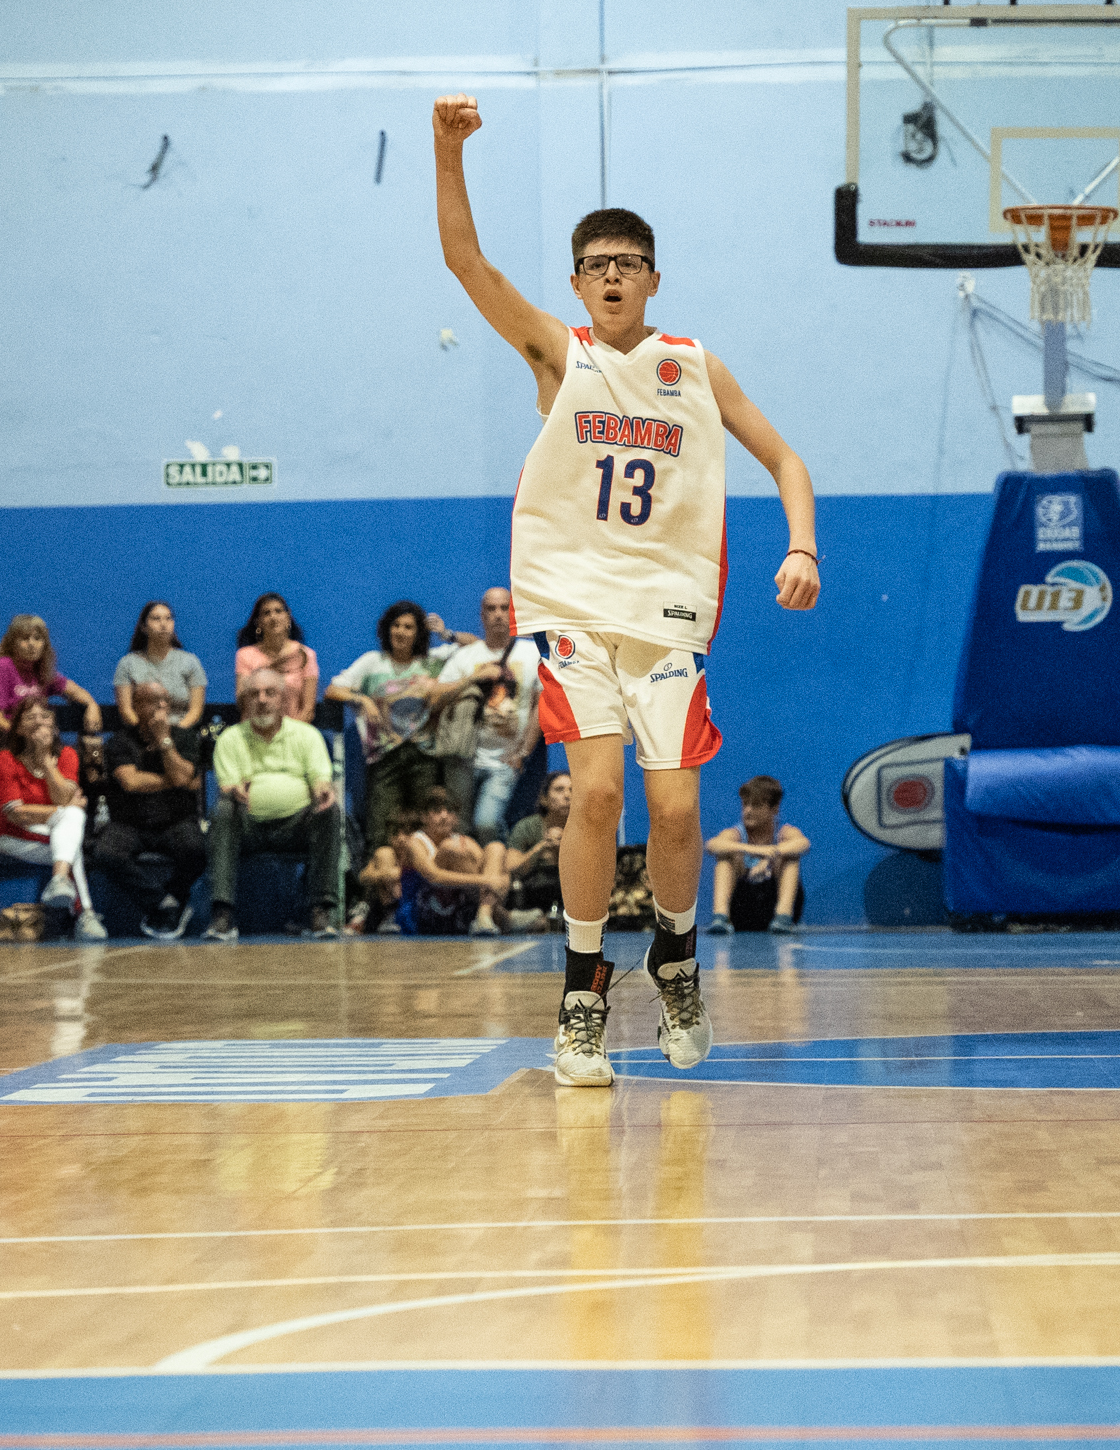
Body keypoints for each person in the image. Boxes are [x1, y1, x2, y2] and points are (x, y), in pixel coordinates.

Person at [434, 93, 822, 1090]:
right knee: (598, 792)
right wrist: (447, 148)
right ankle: (581, 994)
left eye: (628, 265)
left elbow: (785, 457)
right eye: (596, 266)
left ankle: (679, 957)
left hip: (669, 611)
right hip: (572, 606)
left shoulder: (693, 368)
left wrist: (803, 546)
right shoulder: (560, 354)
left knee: (681, 809)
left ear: (653, 278)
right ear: (578, 281)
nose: (613, 278)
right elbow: (467, 266)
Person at [205, 667, 344, 941]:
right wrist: (234, 790)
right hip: (249, 828)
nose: (262, 699)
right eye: (254, 694)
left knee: (330, 811)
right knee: (223, 809)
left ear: (284, 699)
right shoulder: (230, 738)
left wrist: (323, 791)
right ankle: (222, 914)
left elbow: (319, 778)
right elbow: (227, 784)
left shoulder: (307, 736)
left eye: (270, 693)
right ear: (245, 701)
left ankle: (320, 911)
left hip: (297, 827)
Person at [92, 681, 208, 938]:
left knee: (196, 850)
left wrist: (164, 740)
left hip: (175, 820)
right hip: (130, 823)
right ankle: (162, 903)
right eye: (154, 701)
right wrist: (174, 781)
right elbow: (131, 783)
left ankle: (174, 896)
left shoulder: (185, 738)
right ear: (137, 707)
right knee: (106, 853)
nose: (162, 706)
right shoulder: (120, 742)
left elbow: (182, 775)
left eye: (166, 700)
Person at [328, 601, 454, 837]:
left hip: (424, 754)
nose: (401, 632)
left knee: (425, 826)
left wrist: (446, 633)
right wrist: (363, 700)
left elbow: (478, 648)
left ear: (418, 633)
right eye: (396, 625)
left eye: (408, 627)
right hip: (385, 756)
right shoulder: (373, 662)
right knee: (383, 826)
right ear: (387, 629)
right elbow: (333, 690)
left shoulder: (432, 661)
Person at [0, 696, 101, 940]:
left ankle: (61, 882)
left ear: (54, 725)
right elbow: (15, 813)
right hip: (11, 834)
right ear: (18, 728)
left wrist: (47, 764)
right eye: (30, 717)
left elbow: (61, 796)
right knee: (73, 832)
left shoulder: (68, 755)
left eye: (45, 716)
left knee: (70, 835)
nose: (39, 721)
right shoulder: (6, 759)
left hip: (52, 832)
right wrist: (63, 810)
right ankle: (85, 914)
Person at [436, 587, 542, 836]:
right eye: (491, 608)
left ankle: (501, 872)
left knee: (486, 823)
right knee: (458, 830)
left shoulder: (531, 653)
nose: (498, 614)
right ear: (481, 615)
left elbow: (541, 704)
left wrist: (524, 751)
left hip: (505, 760)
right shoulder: (466, 656)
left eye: (504, 608)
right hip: (465, 757)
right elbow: (436, 697)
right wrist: (474, 677)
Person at [0, 612, 102, 750]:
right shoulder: (2, 666)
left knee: (75, 755)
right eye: (25, 638)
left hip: (32, 741)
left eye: (37, 638)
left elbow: (76, 691)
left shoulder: (41, 671)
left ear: (44, 644)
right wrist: (30, 735)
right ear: (12, 643)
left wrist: (92, 705)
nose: (32, 644)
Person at [390, 798, 509, 936]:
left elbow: (496, 875)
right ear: (424, 817)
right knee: (450, 848)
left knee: (496, 847)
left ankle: (485, 914)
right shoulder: (416, 842)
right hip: (422, 917)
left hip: (458, 912)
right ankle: (503, 917)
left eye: (449, 811)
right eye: (437, 811)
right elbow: (433, 876)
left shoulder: (463, 840)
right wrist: (485, 880)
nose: (444, 816)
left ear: (456, 818)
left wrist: (499, 882)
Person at [706, 775, 810, 932]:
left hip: (773, 908)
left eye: (755, 805)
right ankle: (721, 918)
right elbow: (712, 844)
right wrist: (758, 851)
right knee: (725, 857)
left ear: (774, 809)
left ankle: (783, 918)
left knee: (791, 857)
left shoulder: (783, 833)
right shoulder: (736, 834)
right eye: (745, 804)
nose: (748, 811)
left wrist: (772, 854)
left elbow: (803, 843)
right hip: (743, 911)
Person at [114, 600, 208, 740]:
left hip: (180, 735)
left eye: (168, 618)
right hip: (141, 736)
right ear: (144, 627)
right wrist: (147, 733)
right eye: (156, 619)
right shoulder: (128, 664)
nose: (163, 624)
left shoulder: (190, 662)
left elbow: (195, 710)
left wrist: (174, 733)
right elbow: (126, 710)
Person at [233, 592, 320, 721]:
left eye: (278, 611)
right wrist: (266, 671)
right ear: (258, 622)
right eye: (266, 613)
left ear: (288, 617)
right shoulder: (244, 655)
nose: (273, 617)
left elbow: (308, 710)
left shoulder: (306, 655)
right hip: (255, 733)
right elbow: (242, 703)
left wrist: (289, 735)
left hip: (293, 733)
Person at [503, 772, 571, 922]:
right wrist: (541, 846)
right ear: (544, 798)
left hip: (572, 897)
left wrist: (563, 850)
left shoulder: (584, 829)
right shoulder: (527, 826)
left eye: (572, 790)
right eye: (559, 790)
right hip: (530, 895)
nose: (567, 795)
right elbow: (512, 867)